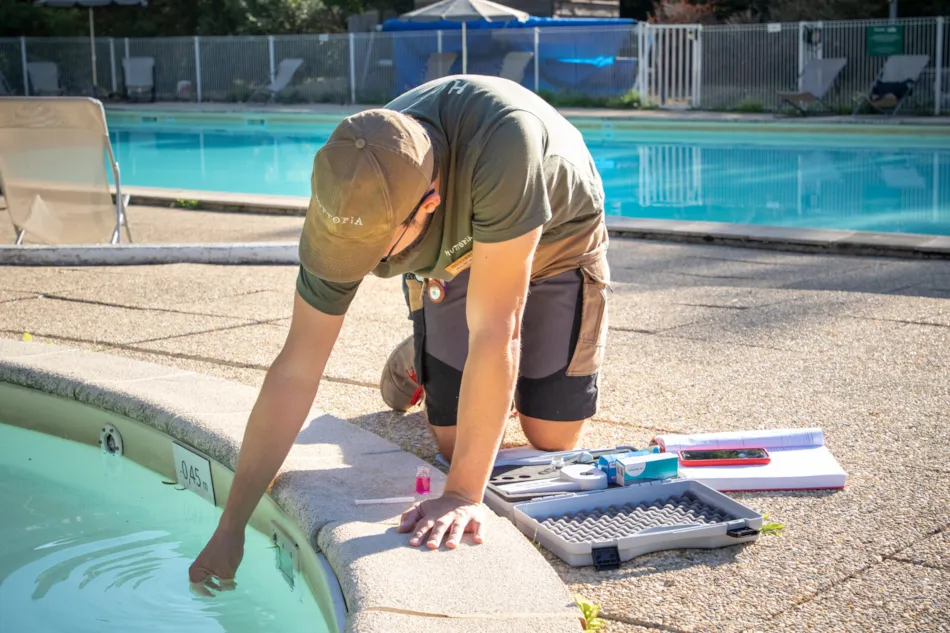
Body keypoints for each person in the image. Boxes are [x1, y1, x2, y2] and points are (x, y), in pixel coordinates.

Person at [188, 74, 610, 595]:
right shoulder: (351, 187)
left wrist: (461, 496)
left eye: (375, 251)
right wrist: (231, 525)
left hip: (556, 238)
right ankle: (425, 354)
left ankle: (436, 351)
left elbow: (498, 331)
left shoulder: (504, 142)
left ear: (428, 204)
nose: (359, 267)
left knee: (552, 436)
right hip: (452, 262)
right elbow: (296, 367)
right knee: (456, 441)